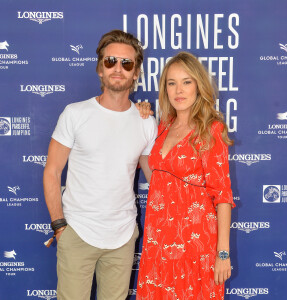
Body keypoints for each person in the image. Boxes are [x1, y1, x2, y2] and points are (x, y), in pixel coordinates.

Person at [43, 29, 157, 300]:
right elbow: (52, 171)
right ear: (100, 69)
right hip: (77, 233)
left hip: (122, 236)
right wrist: (59, 226)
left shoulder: (146, 121)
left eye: (126, 63)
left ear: (136, 72)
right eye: (110, 61)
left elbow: (155, 177)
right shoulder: (75, 114)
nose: (118, 68)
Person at [136, 52, 235, 300]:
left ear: (198, 86)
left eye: (186, 82)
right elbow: (157, 177)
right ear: (165, 89)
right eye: (172, 83)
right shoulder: (163, 126)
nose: (179, 90)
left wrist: (222, 253)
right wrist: (138, 119)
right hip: (158, 239)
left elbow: (222, 195)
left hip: (195, 242)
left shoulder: (211, 129)